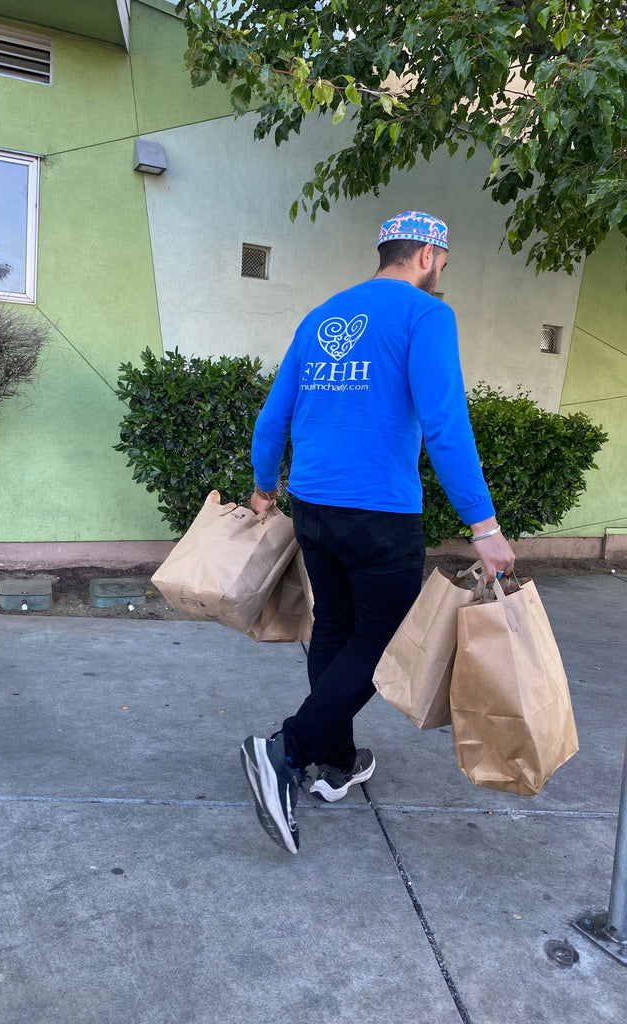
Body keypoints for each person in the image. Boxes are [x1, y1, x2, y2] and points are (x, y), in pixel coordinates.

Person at [240, 210, 515, 855]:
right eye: (443, 261)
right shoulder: (426, 317)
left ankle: (334, 762)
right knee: (388, 640)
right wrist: (484, 525)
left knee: (335, 627)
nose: (442, 272)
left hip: (311, 504)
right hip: (380, 513)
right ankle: (285, 750)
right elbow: (447, 425)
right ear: (425, 255)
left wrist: (262, 486)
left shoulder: (322, 315)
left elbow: (272, 415)